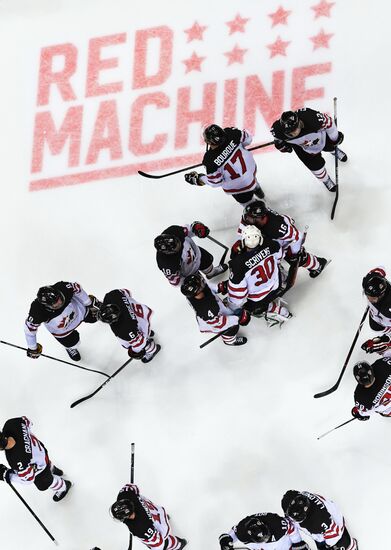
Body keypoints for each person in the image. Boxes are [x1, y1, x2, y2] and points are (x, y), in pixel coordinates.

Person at [238, 201, 329, 278]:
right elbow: (242, 231)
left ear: (262, 218)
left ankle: (319, 264)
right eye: (247, 217)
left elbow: (297, 236)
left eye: (250, 219)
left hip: (284, 236)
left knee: (297, 258)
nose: (247, 220)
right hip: (270, 235)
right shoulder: (250, 219)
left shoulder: (277, 227)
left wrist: (295, 254)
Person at [184, 124, 265, 205]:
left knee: (251, 206)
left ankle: (257, 207)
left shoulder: (209, 159)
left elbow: (215, 182)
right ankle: (261, 193)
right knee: (252, 181)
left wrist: (199, 178)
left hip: (238, 188)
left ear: (208, 141)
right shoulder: (231, 133)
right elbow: (248, 139)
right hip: (250, 172)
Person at [228, 225, 292, 326]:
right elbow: (279, 257)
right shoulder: (271, 244)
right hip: (277, 284)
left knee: (237, 305)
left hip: (259, 298)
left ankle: (270, 308)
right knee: (276, 266)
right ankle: (282, 280)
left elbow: (237, 297)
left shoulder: (238, 265)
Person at [271, 108, 347, 192]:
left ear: (299, 123)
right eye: (289, 133)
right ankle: (325, 180)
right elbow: (278, 140)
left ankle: (334, 151)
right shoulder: (277, 130)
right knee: (316, 168)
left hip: (321, 138)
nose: (292, 134)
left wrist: (335, 139)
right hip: (303, 148)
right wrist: (282, 147)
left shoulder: (311, 118)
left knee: (331, 145)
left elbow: (329, 122)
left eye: (293, 131)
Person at [0, 416, 72, 502]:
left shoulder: (17, 460)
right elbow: (28, 422)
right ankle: (52, 469)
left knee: (44, 483)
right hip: (40, 450)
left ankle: (63, 486)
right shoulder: (10, 424)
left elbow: (28, 479)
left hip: (40, 468)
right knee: (44, 461)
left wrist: (7, 475)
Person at [24, 281, 101, 361]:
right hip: (62, 331)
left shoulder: (62, 287)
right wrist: (32, 347)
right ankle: (69, 348)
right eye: (56, 304)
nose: (60, 303)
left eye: (59, 298)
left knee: (95, 317)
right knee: (74, 343)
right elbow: (29, 329)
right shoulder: (37, 311)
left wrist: (88, 303)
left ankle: (95, 304)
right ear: (47, 306)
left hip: (79, 311)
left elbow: (77, 288)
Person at [110, 483, 187, 550]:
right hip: (158, 512)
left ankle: (179, 544)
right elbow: (133, 487)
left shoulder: (139, 528)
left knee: (165, 543)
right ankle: (165, 518)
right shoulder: (124, 494)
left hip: (160, 527)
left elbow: (158, 543)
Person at [181, 272, 250, 346]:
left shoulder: (194, 294)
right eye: (200, 283)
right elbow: (220, 325)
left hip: (215, 312)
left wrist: (219, 287)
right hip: (215, 322)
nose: (202, 282)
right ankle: (230, 341)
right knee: (232, 329)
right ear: (198, 290)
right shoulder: (207, 310)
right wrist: (237, 319)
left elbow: (208, 288)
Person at [154, 221, 227, 287]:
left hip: (195, 251)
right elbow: (175, 281)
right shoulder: (166, 263)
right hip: (189, 272)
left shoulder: (173, 231)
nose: (179, 245)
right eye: (176, 248)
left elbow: (189, 229)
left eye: (177, 242)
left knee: (207, 261)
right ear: (168, 252)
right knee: (201, 288)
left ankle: (212, 273)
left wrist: (196, 228)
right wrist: (187, 283)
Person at [99, 289, 160, 363]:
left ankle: (152, 350)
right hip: (140, 314)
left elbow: (140, 343)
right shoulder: (113, 295)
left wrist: (135, 352)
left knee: (144, 343)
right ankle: (148, 332)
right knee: (140, 328)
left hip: (137, 325)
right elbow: (126, 292)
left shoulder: (124, 330)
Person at [281, 490, 358, 550]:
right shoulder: (300, 497)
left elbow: (335, 532)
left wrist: (329, 545)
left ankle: (349, 545)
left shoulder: (318, 521)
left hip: (333, 525)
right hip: (324, 524)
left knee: (340, 541)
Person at [219, 512, 308, 550]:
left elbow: (291, 528)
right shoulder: (242, 531)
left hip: (283, 545)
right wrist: (226, 541)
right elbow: (232, 533)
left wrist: (298, 543)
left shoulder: (278, 524)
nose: (265, 540)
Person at [360, 267, 391, 356]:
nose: (369, 299)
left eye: (372, 298)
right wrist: (376, 274)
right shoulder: (367, 281)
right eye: (367, 295)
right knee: (375, 326)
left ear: (381, 295)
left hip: (387, 322)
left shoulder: (388, 308)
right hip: (377, 317)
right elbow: (381, 269)